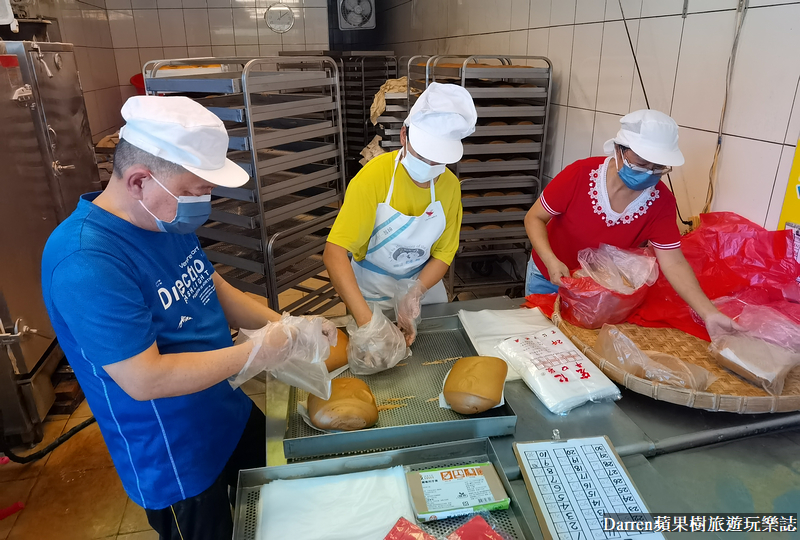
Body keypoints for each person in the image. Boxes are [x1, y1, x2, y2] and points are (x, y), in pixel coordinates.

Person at [41, 96, 334, 540]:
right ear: (140, 180)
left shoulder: (161, 218)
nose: (206, 202)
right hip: (178, 460)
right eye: (197, 191)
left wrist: (288, 325)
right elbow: (146, 379)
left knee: (272, 518)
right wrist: (256, 350)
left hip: (228, 415)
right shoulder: (87, 260)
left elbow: (213, 287)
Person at [524, 109, 737, 335]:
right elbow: (534, 218)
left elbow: (673, 263)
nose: (649, 173)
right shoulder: (580, 175)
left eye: (658, 168)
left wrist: (709, 313)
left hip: (599, 292)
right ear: (619, 149)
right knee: (536, 338)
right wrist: (550, 260)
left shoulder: (660, 202)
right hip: (549, 276)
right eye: (642, 164)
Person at [323, 82, 477, 347]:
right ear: (404, 135)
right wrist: (367, 323)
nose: (430, 167)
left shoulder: (449, 186)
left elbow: (444, 253)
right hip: (371, 291)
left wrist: (414, 293)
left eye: (438, 161)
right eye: (424, 156)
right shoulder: (373, 177)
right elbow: (334, 253)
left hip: (423, 288)